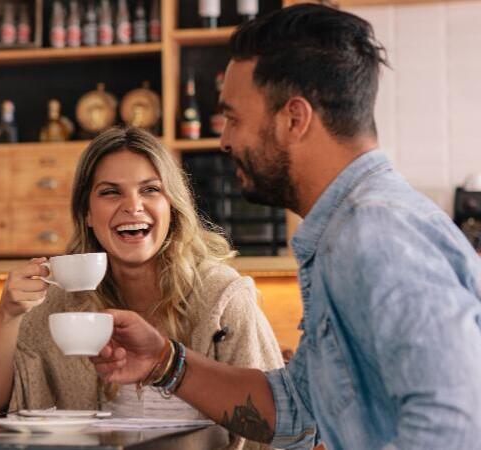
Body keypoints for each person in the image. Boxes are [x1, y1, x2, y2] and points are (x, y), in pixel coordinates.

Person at [89, 5, 481, 450]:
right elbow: (296, 406)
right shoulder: (347, 231)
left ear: (294, 118)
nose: (224, 140)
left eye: (234, 118)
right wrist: (162, 360)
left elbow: (459, 422)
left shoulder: (373, 234)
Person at [0, 127, 283, 449]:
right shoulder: (59, 304)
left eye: (150, 190)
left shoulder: (222, 296)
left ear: (172, 204)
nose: (132, 206)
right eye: (110, 192)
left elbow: (278, 422)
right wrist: (8, 313)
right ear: (86, 212)